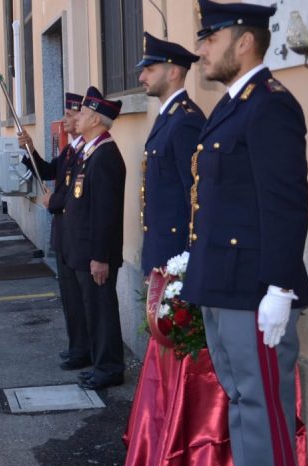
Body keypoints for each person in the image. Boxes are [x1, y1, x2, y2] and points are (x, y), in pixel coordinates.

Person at [184, 0, 308, 466]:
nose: (202, 50)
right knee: (241, 401)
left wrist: (280, 288)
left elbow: (286, 203)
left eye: (210, 38)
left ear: (244, 42)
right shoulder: (233, 106)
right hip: (224, 282)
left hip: (256, 286)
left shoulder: (271, 107)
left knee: (266, 405)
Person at [62, 87, 127, 391]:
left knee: (102, 312)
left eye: (86, 113)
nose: (80, 117)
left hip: (95, 255)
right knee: (93, 311)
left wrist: (99, 256)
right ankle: (101, 364)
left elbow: (105, 214)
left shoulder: (105, 156)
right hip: (83, 252)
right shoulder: (90, 154)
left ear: (97, 121)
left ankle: (110, 368)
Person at [18, 93, 88, 367]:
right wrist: (30, 150)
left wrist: (53, 201)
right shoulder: (70, 150)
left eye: (70, 115)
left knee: (81, 301)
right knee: (70, 299)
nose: (64, 120)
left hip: (76, 235)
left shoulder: (86, 151)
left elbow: (73, 194)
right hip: (64, 233)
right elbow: (48, 171)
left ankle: (84, 350)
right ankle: (77, 346)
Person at [137, 33, 206, 273]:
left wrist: (189, 261)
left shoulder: (186, 121)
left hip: (176, 258)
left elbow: (195, 195)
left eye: (150, 69)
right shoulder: (167, 117)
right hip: (160, 252)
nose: (141, 77)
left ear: (173, 72)